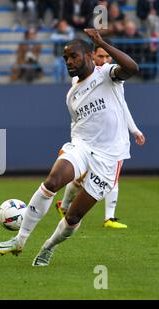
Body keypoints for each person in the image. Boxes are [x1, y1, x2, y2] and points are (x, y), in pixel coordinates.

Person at [0, 29, 140, 266]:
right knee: (52, 181)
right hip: (82, 146)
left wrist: (102, 43)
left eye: (74, 57)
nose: (69, 62)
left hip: (108, 158)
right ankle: (19, 240)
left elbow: (132, 68)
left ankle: (48, 247)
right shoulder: (72, 94)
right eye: (66, 59)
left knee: (73, 217)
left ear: (90, 56)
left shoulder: (106, 74)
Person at [55, 40, 146, 229]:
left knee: (93, 178)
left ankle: (96, 214)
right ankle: (99, 216)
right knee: (83, 179)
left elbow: (122, 106)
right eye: (100, 56)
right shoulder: (81, 79)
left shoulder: (111, 75)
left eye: (107, 56)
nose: (104, 60)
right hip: (90, 139)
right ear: (91, 56)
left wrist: (134, 129)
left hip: (109, 140)